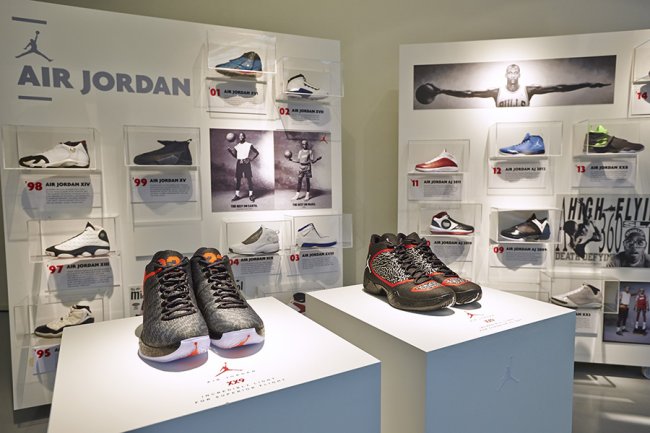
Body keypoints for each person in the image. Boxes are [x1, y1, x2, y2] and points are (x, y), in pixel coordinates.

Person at [415, 64, 610, 107]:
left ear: (519, 75)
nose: (513, 75)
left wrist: (588, 84)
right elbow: (469, 93)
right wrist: (442, 91)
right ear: (506, 75)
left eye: (516, 72)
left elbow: (559, 88)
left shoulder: (528, 90)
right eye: (510, 72)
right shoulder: (496, 92)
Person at [227, 132, 259, 202]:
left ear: (244, 137)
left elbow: (257, 153)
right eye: (240, 136)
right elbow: (236, 156)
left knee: (249, 179)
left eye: (242, 136)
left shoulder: (249, 145)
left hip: (246, 163)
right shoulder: (237, 146)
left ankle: (251, 195)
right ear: (239, 138)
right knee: (238, 179)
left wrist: (250, 159)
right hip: (239, 163)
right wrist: (230, 152)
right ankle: (237, 195)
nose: (241, 137)